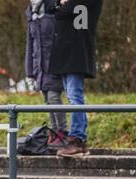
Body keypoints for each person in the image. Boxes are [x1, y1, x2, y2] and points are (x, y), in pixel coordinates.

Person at [45, 0, 103, 157]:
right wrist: (59, 3)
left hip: (76, 52)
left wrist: (60, 7)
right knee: (74, 96)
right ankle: (79, 139)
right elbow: (48, 6)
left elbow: (63, 12)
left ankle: (77, 138)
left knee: (75, 97)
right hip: (65, 52)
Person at [25, 0, 67, 148]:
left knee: (54, 98)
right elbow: (30, 44)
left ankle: (62, 133)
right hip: (40, 67)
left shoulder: (52, 8)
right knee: (47, 101)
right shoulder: (31, 12)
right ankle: (54, 133)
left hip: (54, 65)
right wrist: (30, 70)